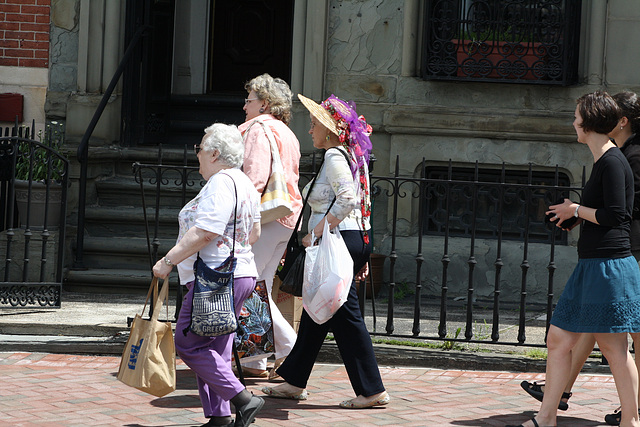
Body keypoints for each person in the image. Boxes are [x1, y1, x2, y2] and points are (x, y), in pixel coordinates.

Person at [507, 91, 640, 427]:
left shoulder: (612, 161)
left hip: (607, 268)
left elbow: (618, 216)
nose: (573, 122)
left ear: (589, 122)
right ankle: (547, 416)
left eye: (577, 116)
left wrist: (576, 209)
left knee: (614, 350)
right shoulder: (605, 159)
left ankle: (632, 420)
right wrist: (576, 216)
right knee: (559, 339)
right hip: (595, 265)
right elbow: (606, 211)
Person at [260, 93, 389, 408]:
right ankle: (293, 379)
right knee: (317, 312)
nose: (310, 130)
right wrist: (361, 248)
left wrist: (315, 233)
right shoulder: (348, 155)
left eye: (315, 124)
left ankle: (372, 390)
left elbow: (347, 199)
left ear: (330, 130)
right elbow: (362, 203)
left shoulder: (334, 155)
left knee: (344, 315)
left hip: (337, 241)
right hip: (349, 240)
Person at [152, 123, 264, 427]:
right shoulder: (244, 183)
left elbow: (205, 231)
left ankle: (243, 399)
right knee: (215, 349)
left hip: (215, 277)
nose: (197, 154)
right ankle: (219, 417)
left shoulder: (220, 183)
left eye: (200, 148)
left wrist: (168, 260)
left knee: (189, 343)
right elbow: (253, 233)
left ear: (214, 153)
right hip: (240, 273)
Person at [237, 73, 302, 378]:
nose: (245, 105)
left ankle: (291, 352)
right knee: (259, 284)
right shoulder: (287, 132)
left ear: (264, 103)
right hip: (285, 217)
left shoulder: (258, 129)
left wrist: (241, 217)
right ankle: (255, 360)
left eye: (249, 99)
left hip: (263, 218)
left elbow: (254, 178)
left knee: (250, 287)